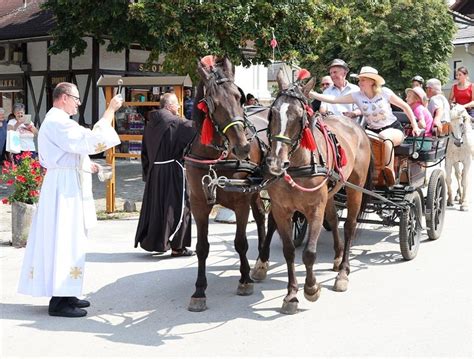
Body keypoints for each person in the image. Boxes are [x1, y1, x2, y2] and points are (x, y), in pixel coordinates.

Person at [17, 82, 123, 318]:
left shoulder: (59, 121)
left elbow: (71, 152)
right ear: (63, 97)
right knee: (64, 238)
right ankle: (59, 301)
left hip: (65, 183)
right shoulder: (57, 122)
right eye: (76, 99)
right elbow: (90, 140)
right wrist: (110, 110)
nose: (78, 103)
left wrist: (88, 164)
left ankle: (67, 292)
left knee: (70, 239)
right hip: (63, 190)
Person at [310, 66, 421, 186]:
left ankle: (388, 173)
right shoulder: (357, 95)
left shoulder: (385, 92)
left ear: (372, 81)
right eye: (359, 79)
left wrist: (415, 126)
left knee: (384, 137)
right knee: (352, 140)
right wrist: (313, 94)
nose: (359, 82)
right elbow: (334, 100)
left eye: (362, 80)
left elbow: (405, 107)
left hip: (393, 128)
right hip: (372, 130)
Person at [134, 93, 197, 257]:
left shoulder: (150, 124)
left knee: (158, 208)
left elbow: (145, 152)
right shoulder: (177, 122)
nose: (179, 107)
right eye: (177, 104)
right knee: (179, 206)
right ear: (170, 106)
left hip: (155, 171)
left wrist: (148, 174)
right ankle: (178, 247)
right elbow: (196, 131)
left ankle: (156, 242)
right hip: (172, 170)